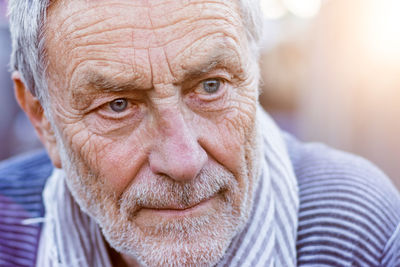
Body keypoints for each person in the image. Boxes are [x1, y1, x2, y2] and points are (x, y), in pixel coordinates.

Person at [1, 0, 399, 266]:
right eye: (117, 105)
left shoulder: (358, 232)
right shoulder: (6, 227)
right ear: (43, 120)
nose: (184, 161)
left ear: (253, 72)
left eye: (211, 86)